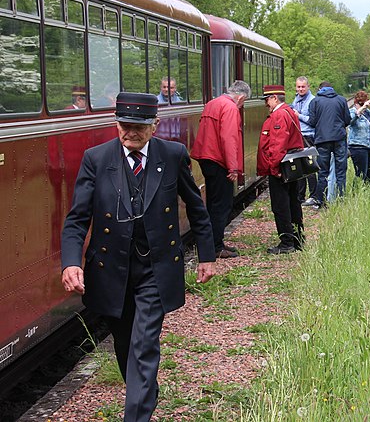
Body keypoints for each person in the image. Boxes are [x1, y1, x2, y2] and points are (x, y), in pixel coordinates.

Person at [60, 92, 216, 422]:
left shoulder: (172, 155)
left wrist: (207, 254)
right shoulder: (97, 158)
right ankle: (144, 392)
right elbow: (77, 218)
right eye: (124, 126)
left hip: (155, 269)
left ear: (155, 126)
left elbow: (197, 208)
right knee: (124, 344)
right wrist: (72, 262)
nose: (129, 133)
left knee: (144, 345)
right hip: (110, 270)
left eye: (138, 127)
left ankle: (135, 415)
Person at [190, 80, 251, 258]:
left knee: (212, 203)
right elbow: (229, 138)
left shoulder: (212, 103)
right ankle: (215, 247)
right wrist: (233, 168)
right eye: (244, 101)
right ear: (240, 97)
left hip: (206, 159)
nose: (241, 105)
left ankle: (212, 243)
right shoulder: (230, 108)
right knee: (221, 205)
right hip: (219, 161)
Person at [257, 84, 305, 254]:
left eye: (267, 100)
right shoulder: (289, 112)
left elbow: (277, 144)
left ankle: (286, 242)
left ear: (274, 98)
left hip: (282, 166)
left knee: (281, 205)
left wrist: (273, 166)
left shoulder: (278, 115)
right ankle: (298, 239)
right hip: (292, 165)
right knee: (293, 202)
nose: (266, 104)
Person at [306, 81, 350, 208]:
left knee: (323, 172)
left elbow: (312, 122)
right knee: (341, 171)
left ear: (320, 89)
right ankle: (340, 199)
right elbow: (347, 120)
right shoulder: (341, 100)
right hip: (339, 139)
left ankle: (321, 201)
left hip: (322, 140)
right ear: (332, 88)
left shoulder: (315, 101)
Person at [291, 76, 317, 204]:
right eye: (298, 87)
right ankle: (300, 196)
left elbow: (313, 121)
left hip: (308, 136)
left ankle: (313, 195)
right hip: (298, 135)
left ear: (308, 86)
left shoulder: (312, 101)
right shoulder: (296, 99)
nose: (300, 89)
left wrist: (298, 115)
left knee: (310, 166)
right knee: (299, 167)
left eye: (303, 87)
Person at [348, 90, 370, 183]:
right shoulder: (352, 111)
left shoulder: (367, 112)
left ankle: (367, 192)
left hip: (369, 146)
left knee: (369, 173)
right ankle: (356, 193)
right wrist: (362, 108)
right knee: (360, 174)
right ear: (357, 102)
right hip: (358, 146)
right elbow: (350, 121)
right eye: (361, 103)